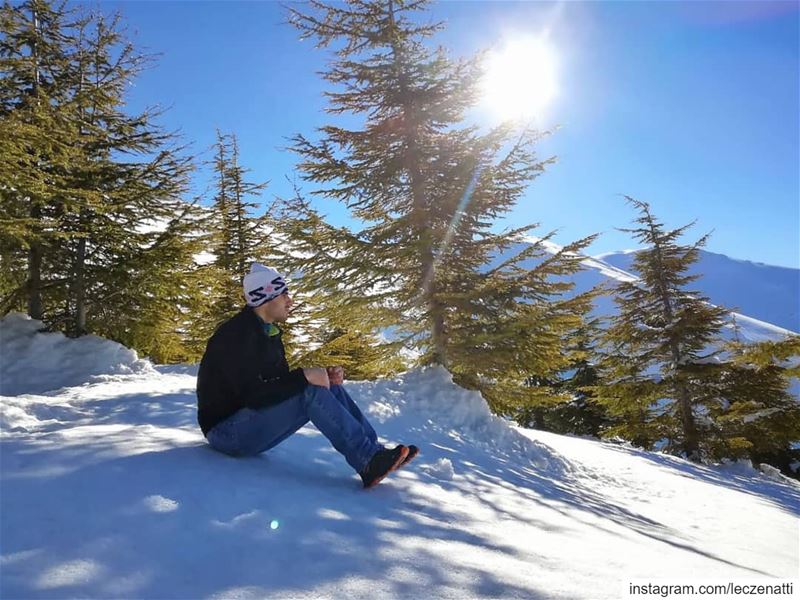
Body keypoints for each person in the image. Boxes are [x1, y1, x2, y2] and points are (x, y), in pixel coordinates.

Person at [197, 262, 418, 489]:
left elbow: (277, 384)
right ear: (266, 296)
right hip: (226, 432)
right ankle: (367, 460)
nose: (290, 301)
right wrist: (304, 378)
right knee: (310, 392)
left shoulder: (267, 332)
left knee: (325, 387)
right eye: (284, 294)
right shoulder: (237, 335)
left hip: (245, 423)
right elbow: (253, 395)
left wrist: (322, 377)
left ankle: (375, 453)